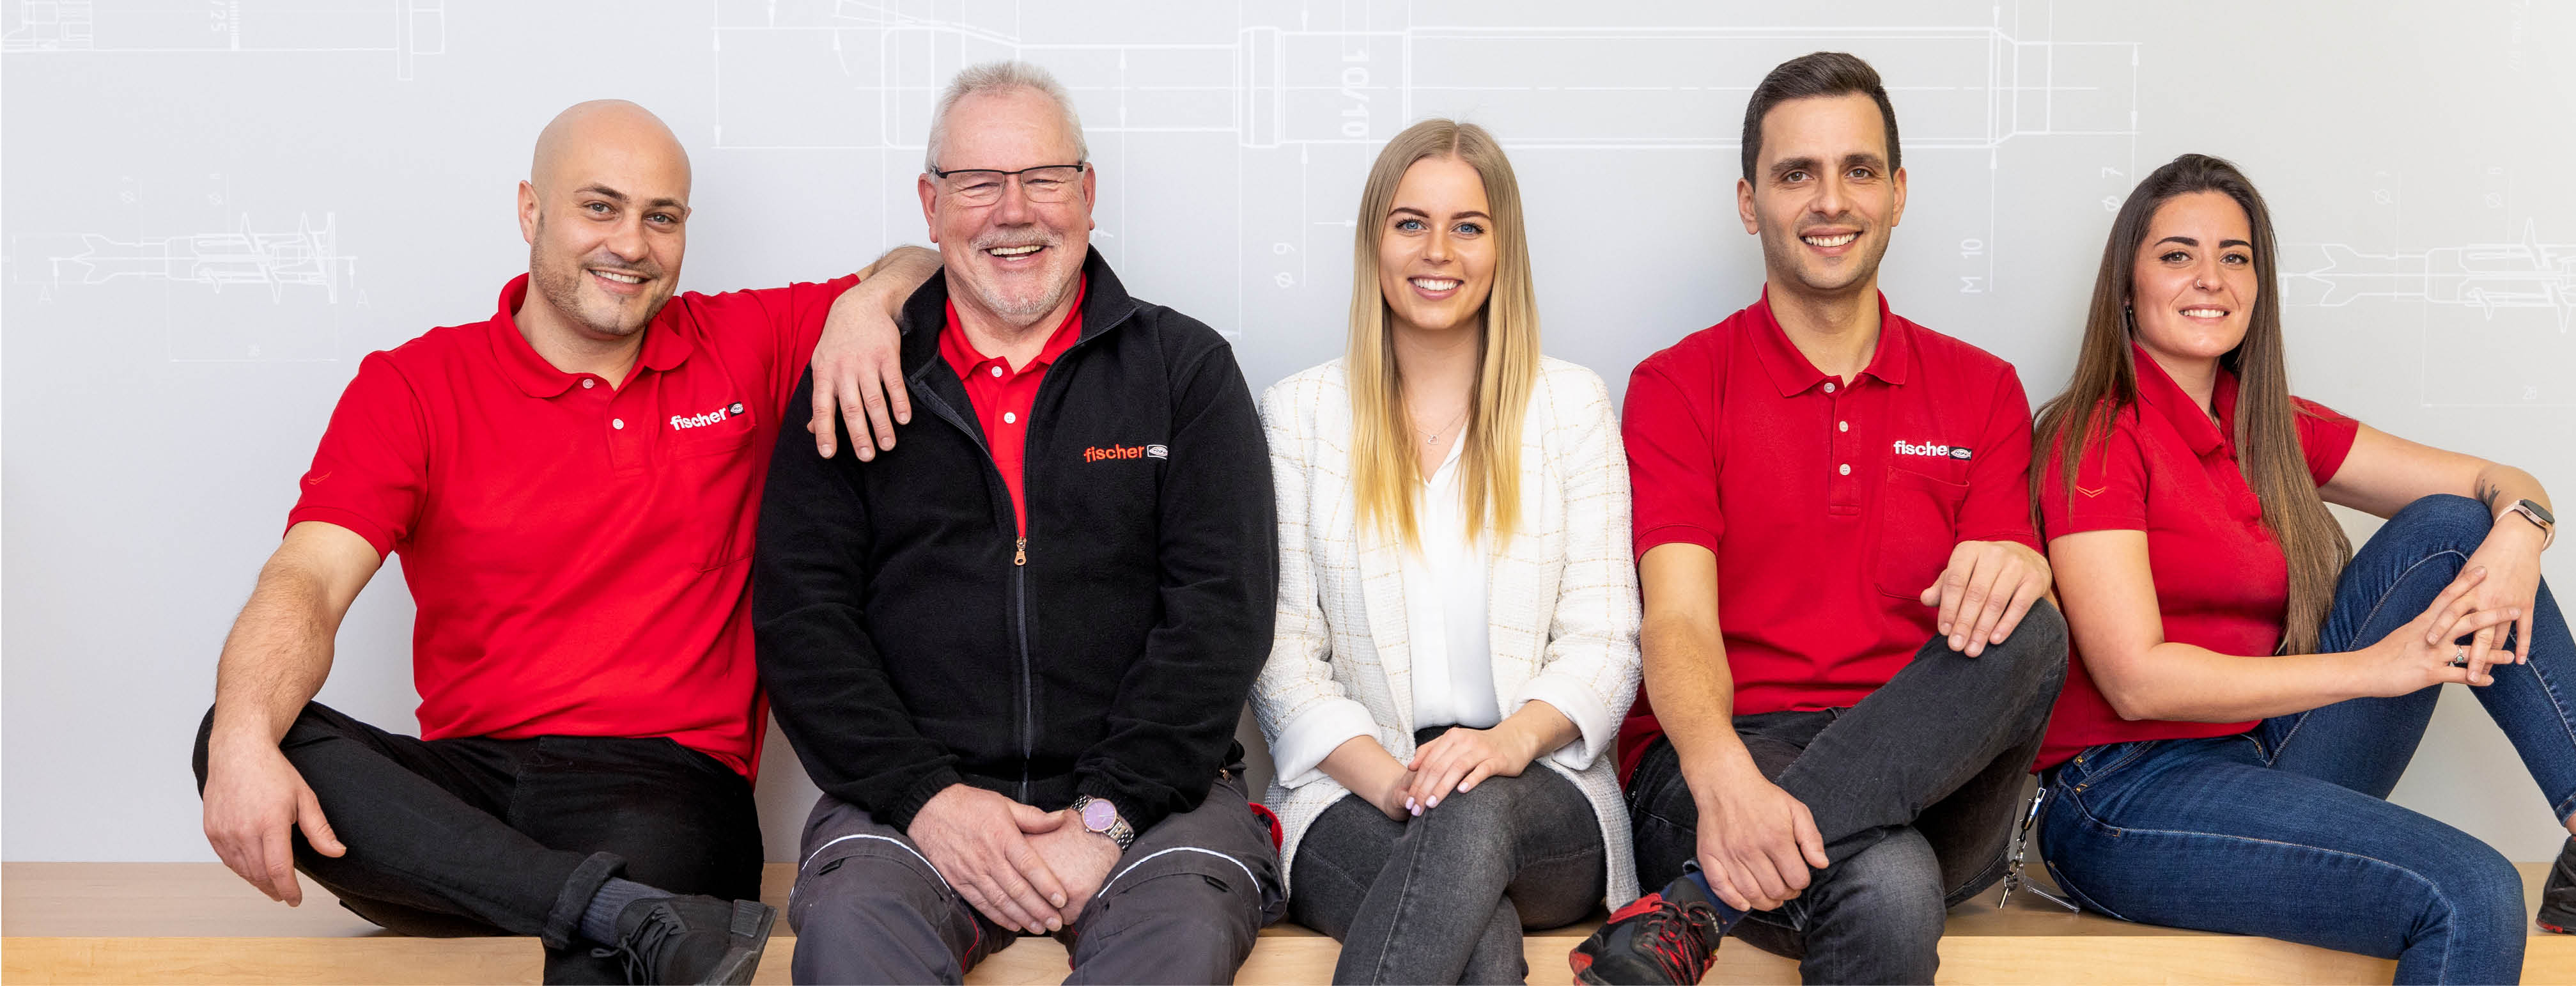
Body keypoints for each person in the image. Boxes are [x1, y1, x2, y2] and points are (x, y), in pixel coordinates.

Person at [189, 100, 933, 985]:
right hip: (469, 789)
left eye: (662, 217)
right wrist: (242, 740)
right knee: (237, 730)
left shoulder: (746, 344)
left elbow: (929, 263)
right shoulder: (415, 384)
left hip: (666, 783)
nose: (632, 244)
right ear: (531, 210)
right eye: (600, 207)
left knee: (610, 936)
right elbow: (307, 579)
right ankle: (616, 911)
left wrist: (867, 303)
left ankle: (587, 905)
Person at [2028, 153, 2576, 985]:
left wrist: (2521, 533)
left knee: (2456, 528)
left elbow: (2498, 481)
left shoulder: (2263, 425)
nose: (2210, 279)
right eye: (2176, 254)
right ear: (2127, 285)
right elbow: (2136, 682)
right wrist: (2375, 668)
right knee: (2472, 890)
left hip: (2261, 756)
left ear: (2259, 285)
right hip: (2125, 795)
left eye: (2235, 256)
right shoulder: (2097, 435)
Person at [754, 59, 1284, 985]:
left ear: (1087, 195)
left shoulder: (1185, 370)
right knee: (851, 937)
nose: (1014, 211)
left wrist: (1105, 818)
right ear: (930, 205)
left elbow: (1220, 618)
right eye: (977, 183)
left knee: (1178, 944)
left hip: (1157, 804)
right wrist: (928, 800)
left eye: (1043, 178)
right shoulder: (853, 379)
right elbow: (804, 624)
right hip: (906, 807)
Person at [1566, 52, 2074, 986]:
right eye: (1797, 173)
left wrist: (2019, 565)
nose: (1830, 200)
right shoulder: (1678, 385)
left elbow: (1996, 633)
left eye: (1858, 170)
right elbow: (1676, 618)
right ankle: (1728, 864)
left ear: (1898, 193)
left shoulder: (1984, 390)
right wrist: (1724, 777)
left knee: (2032, 621)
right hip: (1723, 762)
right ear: (1749, 201)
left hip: (1935, 774)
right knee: (1889, 884)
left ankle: (1693, 905)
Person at [1251, 118, 1642, 985]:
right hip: (1350, 790)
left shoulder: (1570, 406)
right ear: (1374, 242)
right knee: (1480, 940)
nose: (1438, 251)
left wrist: (1502, 745)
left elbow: (1606, 643)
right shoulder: (1299, 416)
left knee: (1472, 815)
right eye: (1410, 223)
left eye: (1467, 226)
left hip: (1541, 785)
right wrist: (1396, 783)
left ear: (1503, 250)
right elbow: (1282, 657)